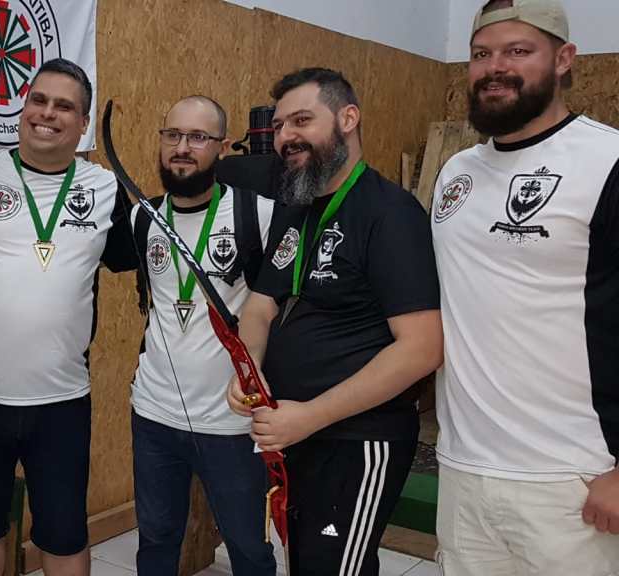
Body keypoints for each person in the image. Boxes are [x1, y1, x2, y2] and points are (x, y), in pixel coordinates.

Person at [0, 58, 135, 576]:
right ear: (23, 108)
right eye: (38, 100)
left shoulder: (105, 189)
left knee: (63, 534)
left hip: (62, 400)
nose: (47, 113)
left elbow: (137, 261)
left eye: (64, 106)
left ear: (82, 124)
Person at [226, 68, 443, 576]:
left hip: (357, 442)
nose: (286, 136)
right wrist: (248, 368)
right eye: (279, 126)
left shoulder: (391, 214)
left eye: (302, 120)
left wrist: (310, 416)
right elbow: (260, 306)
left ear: (348, 118)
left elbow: (422, 348)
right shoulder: (297, 207)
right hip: (296, 433)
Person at [431, 1, 619, 573]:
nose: (495, 67)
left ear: (564, 59)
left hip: (574, 477)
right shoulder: (456, 172)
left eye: (518, 51)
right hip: (464, 468)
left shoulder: (607, 161)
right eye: (481, 54)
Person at [126, 95, 277, 575]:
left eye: (198, 137)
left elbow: (279, 306)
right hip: (154, 413)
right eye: (173, 135)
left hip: (232, 422)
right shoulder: (143, 218)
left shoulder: (260, 215)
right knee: (155, 541)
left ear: (222, 147)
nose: (182, 148)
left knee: (249, 549)